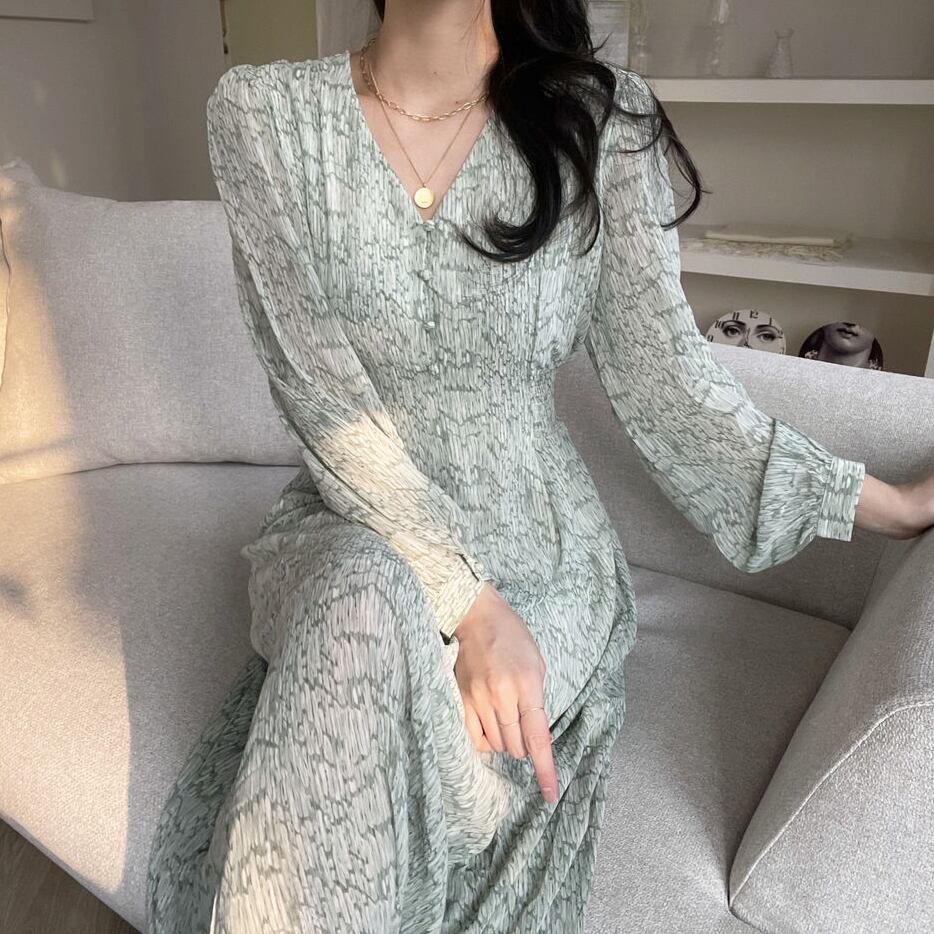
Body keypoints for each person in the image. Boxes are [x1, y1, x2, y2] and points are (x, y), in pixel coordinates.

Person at [147, 3, 934, 932]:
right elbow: (322, 401)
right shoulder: (263, 114)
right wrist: (469, 606)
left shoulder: (600, 125)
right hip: (351, 521)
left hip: (544, 557)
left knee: (439, 740)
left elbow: (670, 386)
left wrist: (883, 501)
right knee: (361, 606)